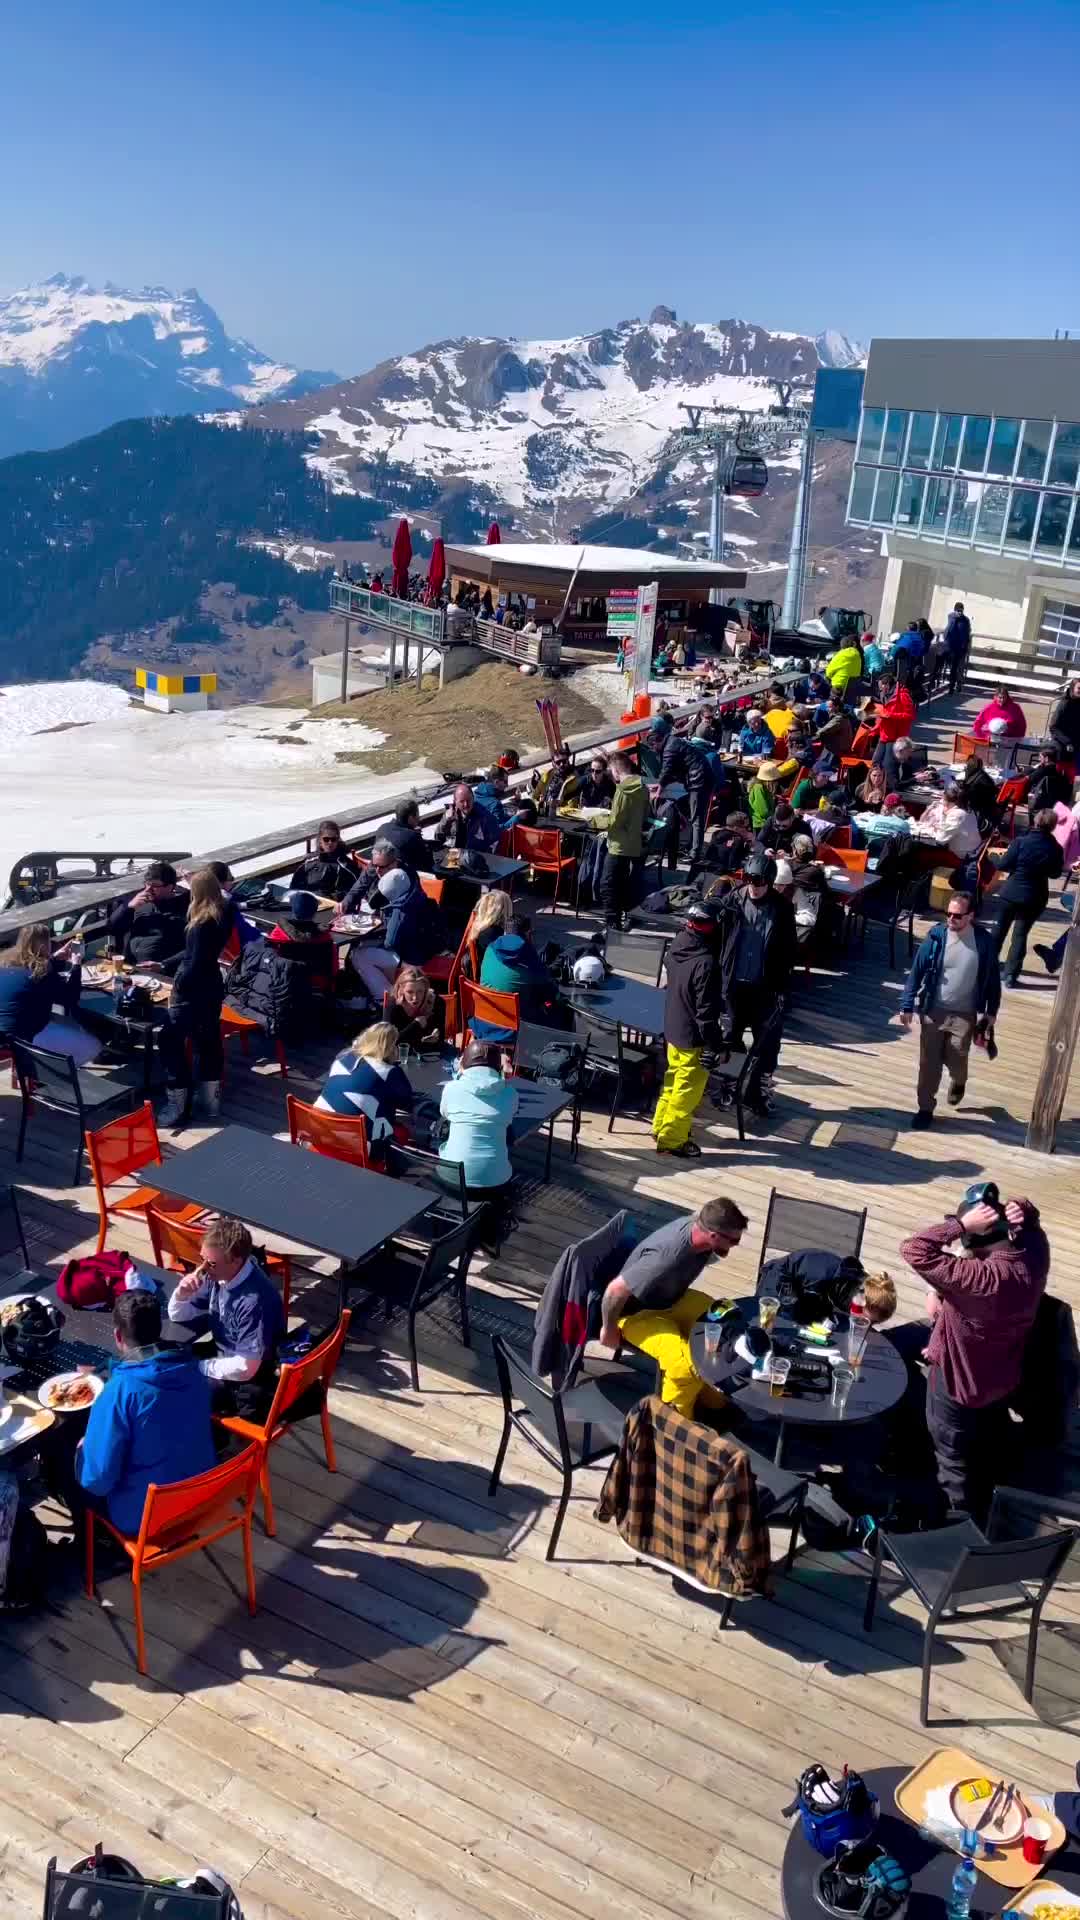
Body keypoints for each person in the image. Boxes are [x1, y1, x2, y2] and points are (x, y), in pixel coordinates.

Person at [901, 1196, 1049, 1519]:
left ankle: (962, 1527)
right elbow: (1034, 1223)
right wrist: (1022, 1207)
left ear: (972, 1239)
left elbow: (914, 1249)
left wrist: (959, 1225)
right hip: (1001, 1374)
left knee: (951, 1460)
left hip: (958, 1383)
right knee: (982, 1443)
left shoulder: (978, 1279)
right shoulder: (1035, 1255)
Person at [77, 1287, 216, 1536]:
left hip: (148, 1517)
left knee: (69, 1465)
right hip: (199, 1493)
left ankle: (99, 1545)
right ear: (159, 1328)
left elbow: (96, 1481)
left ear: (118, 1337)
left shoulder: (118, 1393)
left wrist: (81, 1451)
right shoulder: (192, 1369)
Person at [597, 1198, 749, 1418]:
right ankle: (675, 1424)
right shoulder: (666, 1257)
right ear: (714, 1236)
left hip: (670, 1298)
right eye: (734, 1241)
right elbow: (615, 1290)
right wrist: (608, 1329)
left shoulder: (702, 1226)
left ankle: (713, 1400)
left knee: (726, 1321)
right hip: (635, 1315)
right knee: (682, 1367)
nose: (735, 1245)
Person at [167, 1216, 286, 1418]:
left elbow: (246, 1367)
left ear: (236, 1261)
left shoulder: (253, 1302)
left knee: (175, 1393)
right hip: (222, 1356)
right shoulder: (218, 1274)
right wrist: (181, 1294)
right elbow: (179, 1315)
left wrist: (200, 1367)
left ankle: (209, 1441)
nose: (202, 1268)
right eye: (201, 1258)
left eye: (211, 1263)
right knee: (162, 1361)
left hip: (247, 1377)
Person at [899, 890, 1000, 1128]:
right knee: (929, 1063)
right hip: (933, 1010)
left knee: (957, 1059)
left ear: (970, 916)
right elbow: (916, 972)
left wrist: (991, 1011)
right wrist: (907, 1004)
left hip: (965, 1014)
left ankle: (958, 1081)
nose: (951, 920)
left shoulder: (984, 943)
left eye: (957, 916)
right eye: (948, 914)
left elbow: (993, 980)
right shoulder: (936, 938)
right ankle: (925, 1108)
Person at [717, 852, 796, 1111]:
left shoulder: (782, 909)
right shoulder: (732, 900)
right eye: (749, 878)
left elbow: (788, 951)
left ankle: (757, 1093)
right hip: (734, 986)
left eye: (760, 881)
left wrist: (782, 988)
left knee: (768, 1044)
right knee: (731, 1039)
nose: (753, 885)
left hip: (765, 988)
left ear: (770, 882)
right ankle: (729, 1086)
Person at [651, 903, 725, 1158]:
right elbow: (706, 1014)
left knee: (672, 1082)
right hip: (692, 1037)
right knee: (686, 1092)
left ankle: (661, 1126)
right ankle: (672, 1140)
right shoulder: (706, 963)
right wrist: (715, 1045)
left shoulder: (678, 943)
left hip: (673, 1028)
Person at [157, 867, 230, 1126]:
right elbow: (195, 955)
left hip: (191, 992)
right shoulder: (223, 912)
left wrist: (176, 986)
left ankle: (178, 1102)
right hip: (211, 987)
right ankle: (211, 1102)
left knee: (169, 1040)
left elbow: (193, 962)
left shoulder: (200, 924)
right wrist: (164, 963)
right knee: (208, 1041)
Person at [350, 867, 446, 1005]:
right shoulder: (422, 897)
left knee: (359, 954)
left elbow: (390, 942)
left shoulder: (401, 910)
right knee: (367, 947)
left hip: (413, 961)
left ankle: (387, 997)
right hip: (429, 952)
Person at [993, 807, 1064, 986]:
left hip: (1011, 893)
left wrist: (993, 857)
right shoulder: (1055, 848)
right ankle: (1010, 975)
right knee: (1020, 934)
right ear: (1053, 827)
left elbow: (1004, 865)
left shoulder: (1021, 842)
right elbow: (1056, 874)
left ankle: (986, 965)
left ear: (1035, 822)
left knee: (998, 931)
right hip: (1035, 896)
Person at [316, 1020, 414, 1148]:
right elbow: (407, 1102)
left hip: (317, 1131)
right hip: (354, 1147)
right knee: (402, 1133)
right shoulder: (388, 1072)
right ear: (389, 1048)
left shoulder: (343, 1056)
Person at [438, 1038, 518, 1196]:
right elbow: (510, 1118)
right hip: (496, 1183)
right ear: (499, 1068)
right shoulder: (511, 1094)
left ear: (463, 1065)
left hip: (452, 1180)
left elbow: (444, 1113)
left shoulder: (451, 1089)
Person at [476, 917, 560, 1037]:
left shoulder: (489, 949)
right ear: (528, 934)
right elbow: (549, 992)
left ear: (505, 932)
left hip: (484, 1021)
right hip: (514, 1030)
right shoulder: (529, 955)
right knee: (556, 1012)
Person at [0, 924, 82, 1044]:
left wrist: (53, 958)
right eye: (49, 941)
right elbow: (70, 997)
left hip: (4, 1032)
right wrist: (76, 965)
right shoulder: (43, 973)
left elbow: (28, 972)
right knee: (90, 1042)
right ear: (44, 946)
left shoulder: (4, 964)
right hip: (19, 1040)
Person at [108, 861, 189, 969]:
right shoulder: (138, 901)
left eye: (154, 886)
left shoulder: (183, 908)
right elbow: (112, 928)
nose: (148, 889)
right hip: (129, 967)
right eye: (147, 884)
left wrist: (164, 965)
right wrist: (129, 908)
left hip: (161, 972)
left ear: (170, 887)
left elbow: (195, 948)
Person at [599, 752, 648, 930]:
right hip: (633, 843)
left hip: (618, 845)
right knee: (623, 884)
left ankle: (612, 926)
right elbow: (644, 814)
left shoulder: (622, 790)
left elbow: (615, 820)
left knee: (607, 885)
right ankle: (622, 919)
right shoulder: (643, 787)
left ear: (617, 770)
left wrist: (599, 821)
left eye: (612, 771)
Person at [266, 889, 335, 993]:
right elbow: (333, 967)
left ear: (293, 910)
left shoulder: (278, 932)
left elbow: (270, 958)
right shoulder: (324, 937)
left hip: (284, 983)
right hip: (316, 985)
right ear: (315, 912)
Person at [289, 820, 356, 902]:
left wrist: (333, 897)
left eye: (333, 839)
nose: (330, 843)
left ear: (338, 840)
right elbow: (295, 886)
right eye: (326, 839)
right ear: (320, 841)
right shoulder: (310, 862)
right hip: (308, 904)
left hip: (334, 907)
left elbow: (353, 891)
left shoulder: (345, 864)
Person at [911, 786, 982, 859]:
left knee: (921, 852)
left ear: (950, 802)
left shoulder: (956, 814)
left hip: (963, 853)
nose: (941, 801)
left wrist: (943, 815)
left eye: (943, 799)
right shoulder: (967, 808)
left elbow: (940, 840)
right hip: (974, 847)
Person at [340, 837, 406, 914]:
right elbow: (360, 886)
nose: (377, 870)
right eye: (375, 865)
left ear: (393, 864)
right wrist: (346, 902)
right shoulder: (373, 866)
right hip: (373, 907)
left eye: (381, 867)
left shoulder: (405, 877)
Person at [434, 782, 503, 852]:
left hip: (475, 857)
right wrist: (446, 821)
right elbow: (438, 838)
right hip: (454, 855)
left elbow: (495, 842)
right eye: (462, 801)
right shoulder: (450, 813)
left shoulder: (485, 816)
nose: (466, 804)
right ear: (455, 802)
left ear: (473, 798)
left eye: (468, 800)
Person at [386, 965, 442, 1049]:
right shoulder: (393, 1006)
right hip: (400, 1055)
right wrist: (416, 1025)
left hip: (429, 1053)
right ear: (401, 990)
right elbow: (389, 1042)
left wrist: (437, 1036)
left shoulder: (434, 1001)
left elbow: (441, 1034)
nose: (415, 997)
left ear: (426, 989)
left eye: (420, 991)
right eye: (410, 992)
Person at [463, 888, 514, 976]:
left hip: (478, 973)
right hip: (492, 977)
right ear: (503, 911)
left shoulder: (477, 927)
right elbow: (508, 959)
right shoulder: (495, 934)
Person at [381, 799, 434, 873]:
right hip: (404, 878)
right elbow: (428, 863)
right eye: (417, 815)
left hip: (382, 873)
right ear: (411, 818)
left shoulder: (382, 828)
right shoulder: (412, 836)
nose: (419, 818)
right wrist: (416, 836)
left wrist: (411, 831)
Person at [1026, 748, 1074, 815]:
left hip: (1044, 802)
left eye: (1040, 757)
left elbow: (1031, 778)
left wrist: (1034, 767)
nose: (1039, 759)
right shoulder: (1058, 769)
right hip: (1056, 801)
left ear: (1046, 758)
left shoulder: (1046, 769)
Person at [1048, 679, 1080, 762]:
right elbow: (1053, 727)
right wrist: (1067, 742)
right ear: (1073, 688)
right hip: (1062, 741)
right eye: (1079, 688)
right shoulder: (1064, 704)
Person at [746, 760, 784, 831]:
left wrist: (775, 798)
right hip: (761, 823)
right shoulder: (758, 788)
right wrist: (776, 815)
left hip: (768, 820)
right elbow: (764, 812)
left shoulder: (764, 787)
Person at [943, 603, 972, 693]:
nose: (960, 612)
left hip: (961, 648)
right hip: (951, 647)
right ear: (955, 610)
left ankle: (958, 685)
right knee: (953, 668)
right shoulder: (951, 617)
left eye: (961, 610)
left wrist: (966, 646)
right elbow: (948, 631)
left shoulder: (965, 620)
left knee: (959, 668)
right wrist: (954, 619)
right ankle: (951, 686)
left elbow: (967, 633)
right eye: (958, 610)